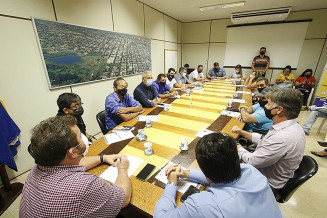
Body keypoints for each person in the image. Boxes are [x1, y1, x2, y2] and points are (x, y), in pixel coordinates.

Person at [20, 116, 131, 217]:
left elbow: (72, 163)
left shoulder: (36, 169)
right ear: (73, 152)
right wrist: (122, 169)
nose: (83, 139)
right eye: (80, 137)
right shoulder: (84, 186)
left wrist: (102, 158)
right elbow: (123, 199)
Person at [154, 133, 283, 218]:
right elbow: (220, 177)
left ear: (204, 169)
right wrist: (186, 173)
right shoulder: (251, 170)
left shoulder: (202, 205)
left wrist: (171, 183)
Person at [232, 88, 305, 193]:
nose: (265, 107)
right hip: (268, 171)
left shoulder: (282, 137)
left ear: (279, 110)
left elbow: (252, 161)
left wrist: (236, 145)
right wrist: (242, 132)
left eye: (268, 105)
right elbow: (264, 139)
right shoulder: (291, 125)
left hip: (266, 183)